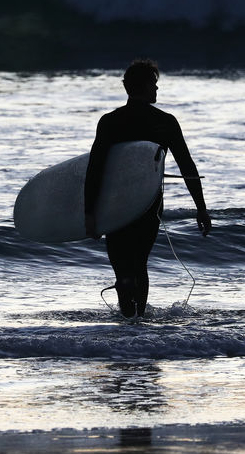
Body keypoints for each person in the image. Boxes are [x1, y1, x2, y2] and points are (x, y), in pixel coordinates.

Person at [84, 59, 211, 318]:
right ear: (142, 86)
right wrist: (201, 208)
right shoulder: (164, 121)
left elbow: (95, 169)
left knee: (121, 268)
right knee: (139, 263)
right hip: (149, 203)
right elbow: (187, 165)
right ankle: (137, 324)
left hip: (114, 202)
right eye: (154, 84)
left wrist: (90, 212)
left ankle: (127, 320)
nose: (156, 90)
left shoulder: (110, 121)